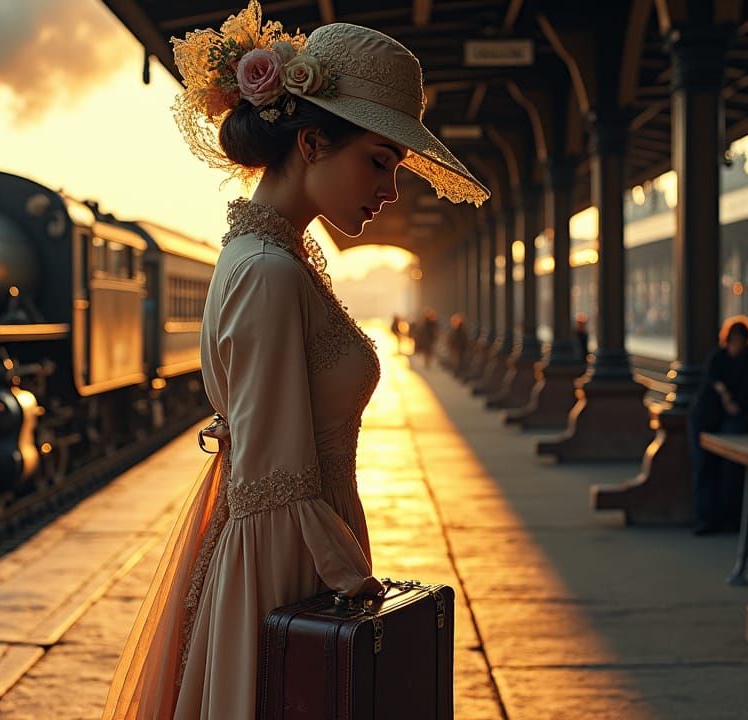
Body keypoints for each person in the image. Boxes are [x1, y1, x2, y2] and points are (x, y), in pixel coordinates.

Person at [101, 4, 489, 719]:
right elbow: (275, 486)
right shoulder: (269, 272)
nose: (391, 191)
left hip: (302, 551)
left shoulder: (271, 260)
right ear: (311, 142)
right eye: (379, 161)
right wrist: (350, 579)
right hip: (287, 566)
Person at [689, 315, 748, 536]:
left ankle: (730, 519)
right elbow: (711, 383)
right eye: (733, 340)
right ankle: (707, 519)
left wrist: (732, 401)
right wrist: (726, 397)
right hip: (707, 416)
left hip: (735, 415)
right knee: (705, 468)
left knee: (731, 468)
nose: (736, 345)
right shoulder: (717, 357)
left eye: (740, 340)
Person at [448, 312, 469, 377]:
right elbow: (451, 338)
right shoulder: (454, 330)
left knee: (459, 360)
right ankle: (457, 372)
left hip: (460, 348)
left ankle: (458, 372)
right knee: (456, 361)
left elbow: (464, 339)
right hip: (456, 348)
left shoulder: (461, 330)